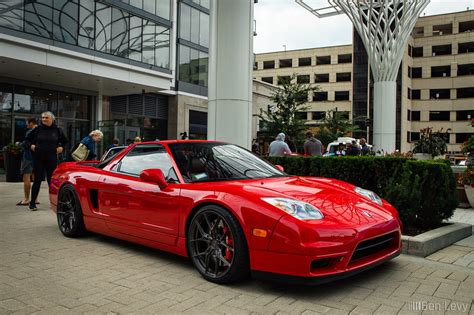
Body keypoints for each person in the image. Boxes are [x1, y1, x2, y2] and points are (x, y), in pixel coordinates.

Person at [25, 111, 68, 211]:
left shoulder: (57, 130)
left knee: (51, 181)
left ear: (52, 119)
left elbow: (65, 142)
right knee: (37, 180)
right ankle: (32, 203)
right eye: (43, 118)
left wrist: (62, 148)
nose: (44, 119)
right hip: (38, 158)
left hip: (51, 159)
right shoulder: (37, 129)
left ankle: (54, 203)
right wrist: (30, 145)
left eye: (46, 118)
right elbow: (26, 140)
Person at [16, 117, 38, 206]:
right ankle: (35, 198)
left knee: (26, 177)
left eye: (27, 123)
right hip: (37, 158)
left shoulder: (30, 132)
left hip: (28, 157)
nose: (26, 125)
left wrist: (19, 144)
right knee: (35, 178)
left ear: (31, 123)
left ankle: (26, 199)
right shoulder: (41, 131)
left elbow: (26, 145)